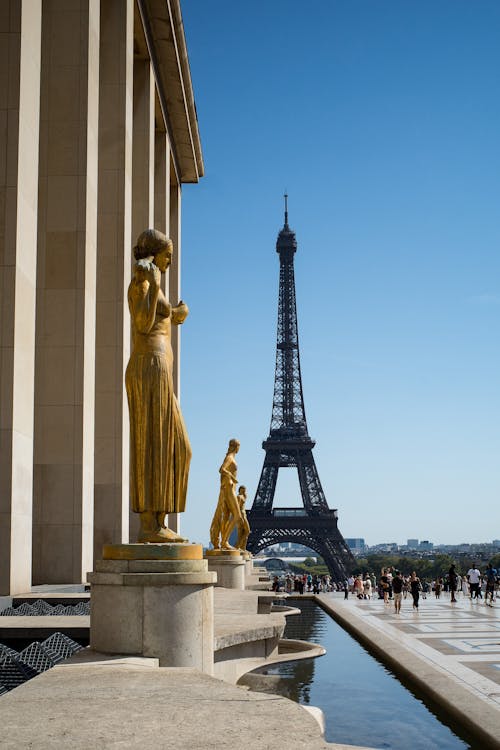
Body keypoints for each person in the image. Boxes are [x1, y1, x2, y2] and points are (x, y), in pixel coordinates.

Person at [126, 229, 191, 543]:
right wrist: (156, 288)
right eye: (168, 255)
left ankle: (159, 521)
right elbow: (141, 323)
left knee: (179, 448)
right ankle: (150, 526)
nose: (170, 260)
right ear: (156, 253)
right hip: (149, 366)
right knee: (155, 444)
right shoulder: (143, 282)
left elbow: (159, 318)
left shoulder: (152, 282)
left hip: (160, 367)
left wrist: (176, 313)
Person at [209, 439, 243, 549]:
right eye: (239, 446)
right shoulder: (229, 458)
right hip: (229, 488)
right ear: (236, 447)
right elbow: (222, 469)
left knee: (226, 516)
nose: (239, 448)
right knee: (237, 515)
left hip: (230, 488)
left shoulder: (231, 457)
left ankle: (224, 541)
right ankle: (224, 541)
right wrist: (232, 477)